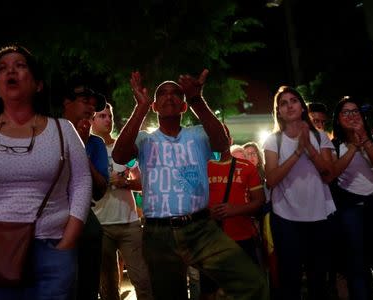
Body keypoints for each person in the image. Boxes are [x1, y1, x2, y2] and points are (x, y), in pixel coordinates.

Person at [112, 69, 267, 300]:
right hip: (158, 232)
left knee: (253, 283)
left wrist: (197, 99)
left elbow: (222, 143)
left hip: (200, 228)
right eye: (162, 94)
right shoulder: (145, 139)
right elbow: (119, 156)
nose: (169, 97)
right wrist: (140, 106)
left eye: (176, 93)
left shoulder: (198, 134)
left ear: (184, 107)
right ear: (155, 106)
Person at [0, 45, 92, 300]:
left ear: (38, 84)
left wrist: (68, 241)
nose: (11, 70)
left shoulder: (63, 130)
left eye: (20, 65)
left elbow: (81, 183)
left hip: (51, 247)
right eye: (2, 68)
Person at [263, 85, 335, 300]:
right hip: (286, 218)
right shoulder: (273, 140)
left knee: (318, 280)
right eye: (283, 103)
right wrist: (297, 152)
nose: (289, 106)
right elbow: (271, 180)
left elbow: (329, 175)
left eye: (293, 100)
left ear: (302, 107)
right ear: (278, 112)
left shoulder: (320, 136)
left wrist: (309, 148)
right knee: (290, 280)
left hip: (319, 215)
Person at [331, 96, 373, 300]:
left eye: (355, 111)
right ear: (338, 119)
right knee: (357, 266)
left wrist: (365, 140)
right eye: (346, 112)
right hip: (350, 207)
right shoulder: (333, 146)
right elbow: (332, 173)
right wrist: (352, 147)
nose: (351, 116)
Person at [90, 103, 153, 300]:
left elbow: (142, 181)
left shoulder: (124, 149)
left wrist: (127, 183)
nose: (108, 120)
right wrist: (108, 181)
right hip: (101, 225)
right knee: (107, 286)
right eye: (102, 116)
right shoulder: (86, 149)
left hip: (129, 222)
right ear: (91, 120)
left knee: (143, 280)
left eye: (110, 116)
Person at [200, 126, 268, 300]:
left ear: (229, 141)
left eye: (222, 137)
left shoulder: (247, 168)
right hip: (210, 240)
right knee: (210, 290)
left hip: (242, 238)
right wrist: (207, 210)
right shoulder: (200, 168)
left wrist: (234, 210)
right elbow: (190, 200)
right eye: (212, 137)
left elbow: (259, 201)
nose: (216, 141)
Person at [62, 82, 108, 300]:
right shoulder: (49, 131)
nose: (90, 107)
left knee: (92, 232)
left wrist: (81, 151)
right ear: (66, 103)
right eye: (84, 101)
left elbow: (100, 191)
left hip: (80, 211)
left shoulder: (96, 144)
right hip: (50, 209)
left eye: (93, 104)